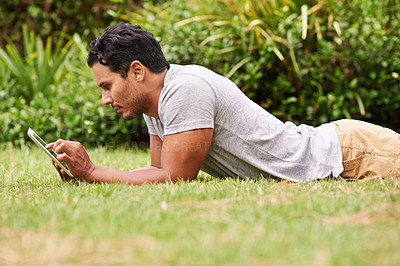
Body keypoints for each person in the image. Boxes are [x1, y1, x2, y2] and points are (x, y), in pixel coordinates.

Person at [46, 23, 400, 184]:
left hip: (353, 153)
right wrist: (90, 176)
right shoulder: (155, 104)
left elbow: (176, 177)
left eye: (107, 86)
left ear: (136, 71)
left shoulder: (185, 89)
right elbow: (157, 172)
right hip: (342, 147)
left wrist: (94, 172)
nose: (104, 99)